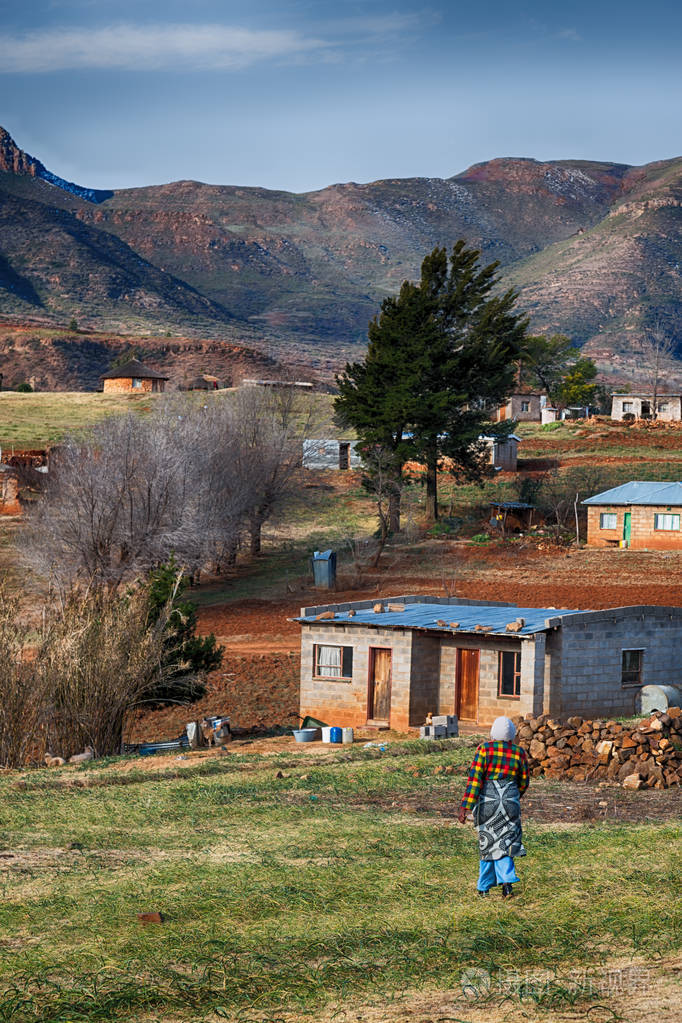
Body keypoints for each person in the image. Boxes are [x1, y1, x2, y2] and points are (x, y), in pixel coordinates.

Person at [457, 716, 529, 898]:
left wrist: (465, 806)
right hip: (510, 802)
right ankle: (506, 883)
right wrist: (512, 797)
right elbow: (524, 782)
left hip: (487, 803)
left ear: (492, 734)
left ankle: (484, 888)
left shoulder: (484, 749)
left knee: (488, 843)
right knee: (506, 842)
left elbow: (475, 780)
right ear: (512, 736)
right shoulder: (519, 753)